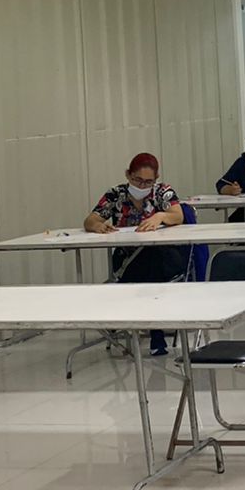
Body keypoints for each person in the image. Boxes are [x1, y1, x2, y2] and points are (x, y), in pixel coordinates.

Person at [85, 152, 186, 355]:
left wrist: (160, 216)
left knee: (152, 260)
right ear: (128, 175)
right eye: (137, 180)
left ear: (156, 179)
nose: (141, 186)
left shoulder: (162, 192)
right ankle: (156, 334)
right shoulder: (116, 195)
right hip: (128, 258)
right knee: (146, 268)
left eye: (148, 182)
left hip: (163, 255)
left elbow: (178, 216)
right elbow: (90, 220)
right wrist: (98, 226)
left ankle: (152, 329)